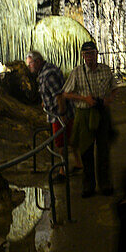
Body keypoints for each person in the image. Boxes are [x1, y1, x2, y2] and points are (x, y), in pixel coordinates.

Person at [64, 40, 116, 197]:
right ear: (83, 56)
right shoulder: (77, 72)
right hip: (85, 114)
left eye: (92, 54)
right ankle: (88, 186)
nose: (89, 57)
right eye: (86, 54)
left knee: (103, 151)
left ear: (96, 54)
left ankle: (105, 184)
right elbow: (66, 93)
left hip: (102, 113)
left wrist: (108, 100)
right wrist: (83, 99)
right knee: (86, 151)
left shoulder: (105, 71)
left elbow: (114, 89)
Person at [27, 50, 81, 180]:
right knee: (71, 139)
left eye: (30, 64)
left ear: (38, 62)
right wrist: (45, 101)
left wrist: (62, 114)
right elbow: (51, 93)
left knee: (61, 143)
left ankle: (63, 170)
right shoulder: (47, 70)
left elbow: (59, 95)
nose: (29, 67)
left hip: (59, 114)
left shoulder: (48, 74)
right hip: (61, 111)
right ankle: (78, 164)